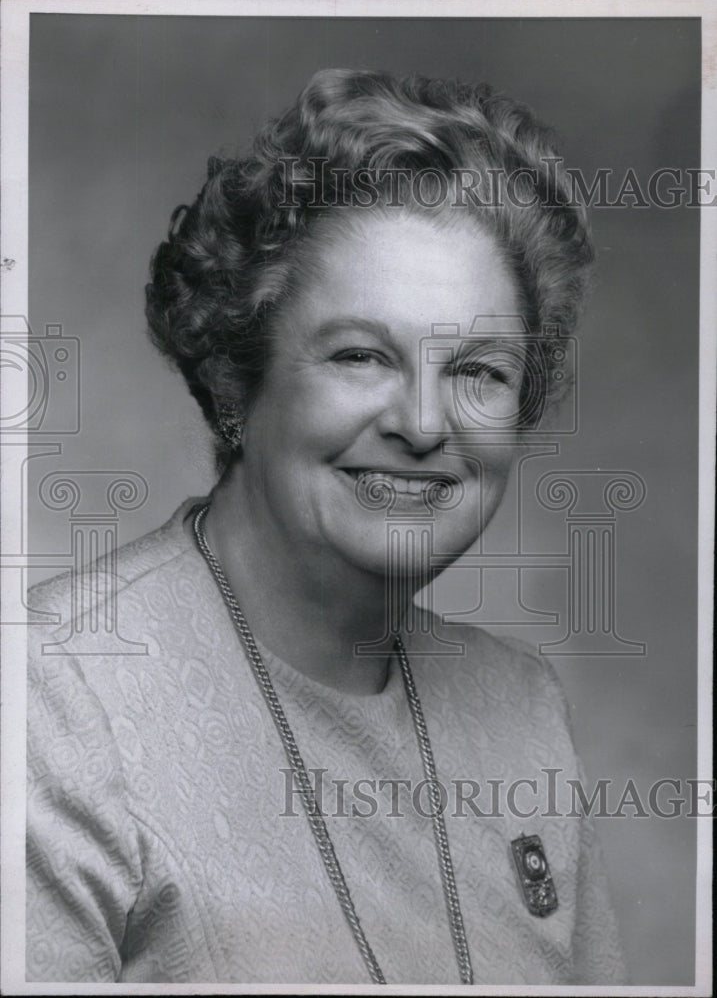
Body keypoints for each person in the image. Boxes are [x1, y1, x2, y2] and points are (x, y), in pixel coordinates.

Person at [26, 69, 627, 985]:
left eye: (478, 371)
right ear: (236, 380)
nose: (424, 424)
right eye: (359, 355)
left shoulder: (519, 709)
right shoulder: (47, 704)